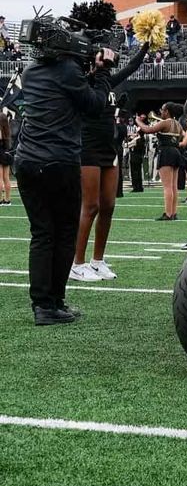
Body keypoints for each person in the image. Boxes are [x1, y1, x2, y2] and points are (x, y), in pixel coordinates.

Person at [15, 39, 116, 325]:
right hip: (59, 161)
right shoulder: (69, 70)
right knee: (64, 233)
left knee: (42, 234)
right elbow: (95, 105)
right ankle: (53, 303)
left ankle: (42, 305)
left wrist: (90, 72)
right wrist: (103, 72)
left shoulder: (31, 70)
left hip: (27, 161)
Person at [71, 42, 148, 281]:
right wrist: (96, 66)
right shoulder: (84, 82)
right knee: (90, 205)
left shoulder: (108, 81)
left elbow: (133, 66)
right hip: (88, 147)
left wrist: (146, 44)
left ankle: (97, 261)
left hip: (109, 148)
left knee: (108, 206)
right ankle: (77, 263)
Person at [137, 104, 184, 220]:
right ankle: (173, 213)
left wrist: (138, 121)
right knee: (173, 186)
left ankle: (168, 214)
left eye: (162, 110)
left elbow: (147, 130)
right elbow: (183, 137)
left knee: (167, 186)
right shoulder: (178, 124)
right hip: (176, 152)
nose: (161, 112)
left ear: (167, 111)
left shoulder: (166, 122)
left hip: (166, 152)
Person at [0, 108, 12, 206]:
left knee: (0, 178)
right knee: (6, 178)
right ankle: (8, 200)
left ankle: (0, 199)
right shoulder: (7, 131)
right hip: (7, 154)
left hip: (0, 154)